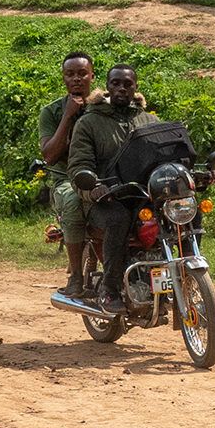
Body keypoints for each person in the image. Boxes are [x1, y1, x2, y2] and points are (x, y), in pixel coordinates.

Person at [66, 64, 159, 315]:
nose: (121, 88)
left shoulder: (149, 120)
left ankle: (177, 276)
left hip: (142, 198)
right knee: (118, 219)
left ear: (135, 87)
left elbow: (166, 156)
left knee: (185, 213)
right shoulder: (90, 122)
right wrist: (93, 188)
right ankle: (109, 289)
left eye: (127, 84)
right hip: (104, 199)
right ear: (107, 86)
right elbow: (78, 166)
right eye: (116, 83)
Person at [39, 51, 96, 297]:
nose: (76, 79)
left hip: (102, 178)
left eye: (82, 73)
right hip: (67, 180)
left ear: (92, 76)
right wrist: (68, 116)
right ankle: (75, 275)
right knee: (74, 203)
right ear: (63, 78)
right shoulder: (51, 112)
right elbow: (49, 155)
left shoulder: (103, 106)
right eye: (70, 74)